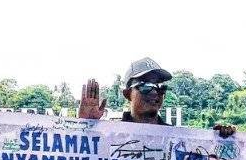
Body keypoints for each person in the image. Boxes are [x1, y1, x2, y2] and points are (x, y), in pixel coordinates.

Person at [77, 57, 235, 136]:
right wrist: (84, 127)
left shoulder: (178, 138)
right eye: (145, 86)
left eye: (160, 87)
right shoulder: (110, 135)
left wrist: (222, 141)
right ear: (127, 94)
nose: (154, 92)